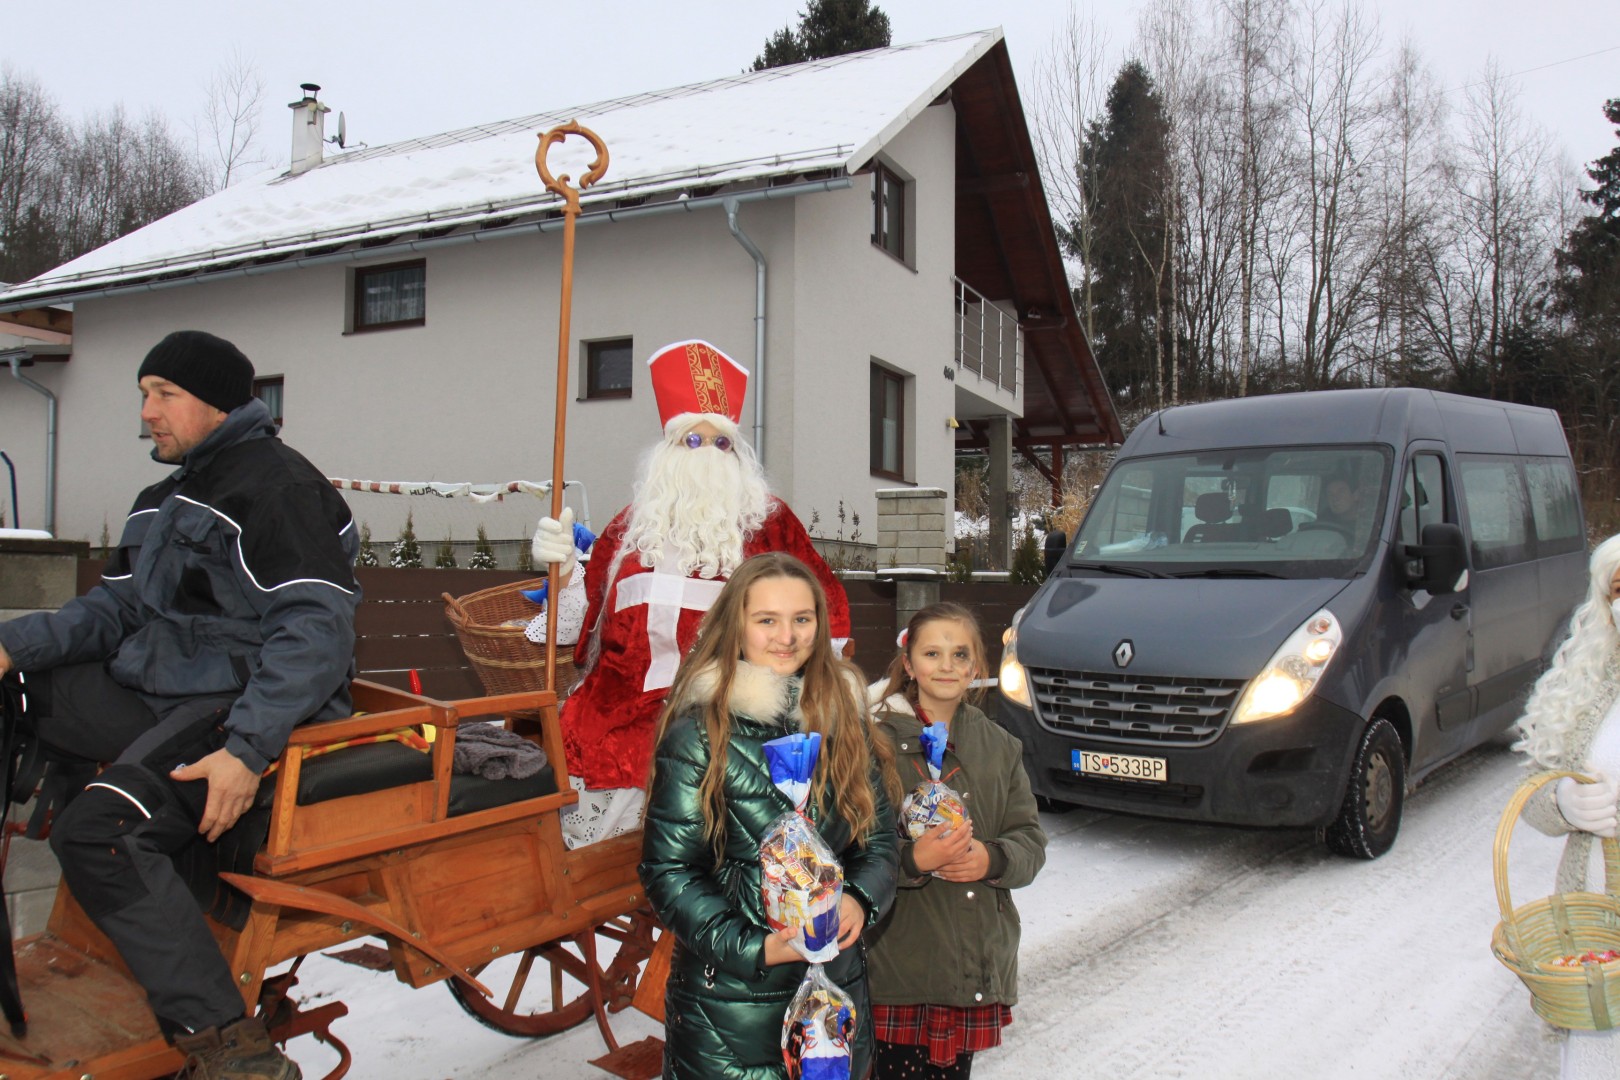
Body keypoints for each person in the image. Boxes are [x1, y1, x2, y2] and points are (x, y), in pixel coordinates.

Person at [0, 330, 361, 1080]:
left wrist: (246, 750)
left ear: (217, 402)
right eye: (144, 393)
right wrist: (12, 646)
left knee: (99, 834)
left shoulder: (277, 489)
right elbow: (113, 610)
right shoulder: (164, 499)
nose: (147, 412)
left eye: (163, 393)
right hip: (158, 688)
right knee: (12, 691)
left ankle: (232, 1047)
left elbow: (315, 631)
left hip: (238, 701)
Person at [531, 339, 850, 847]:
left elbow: (823, 611)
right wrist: (564, 571)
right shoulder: (629, 530)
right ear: (666, 452)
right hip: (618, 709)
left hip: (729, 715)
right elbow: (578, 627)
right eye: (693, 441)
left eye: (721, 443)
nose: (706, 455)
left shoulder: (769, 523)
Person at [638, 552, 897, 1079]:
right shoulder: (700, 735)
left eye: (802, 618)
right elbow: (669, 871)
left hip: (834, 995)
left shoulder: (842, 723)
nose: (787, 636)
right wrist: (755, 947)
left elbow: (879, 842)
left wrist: (858, 898)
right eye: (766, 620)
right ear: (736, 626)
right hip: (729, 1009)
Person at [866, 602, 1047, 1079]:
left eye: (960, 654)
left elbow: (1030, 839)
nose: (946, 666)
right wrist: (912, 860)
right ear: (909, 663)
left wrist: (993, 859)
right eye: (932, 653)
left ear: (975, 665)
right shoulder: (873, 743)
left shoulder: (1000, 746)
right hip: (898, 966)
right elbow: (852, 849)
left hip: (972, 962)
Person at [1512, 533, 1620, 1079]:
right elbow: (1532, 788)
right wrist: (1562, 802)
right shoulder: (1590, 686)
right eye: (1619, 588)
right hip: (1598, 933)